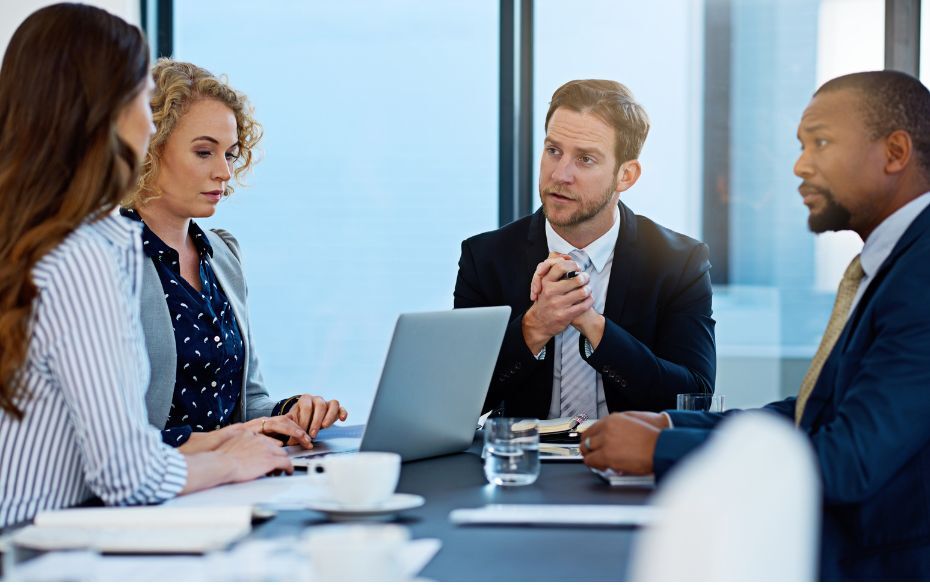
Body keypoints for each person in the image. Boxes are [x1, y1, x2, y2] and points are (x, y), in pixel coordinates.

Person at [580, 71, 930, 580]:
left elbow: (849, 461)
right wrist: (676, 424)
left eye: (822, 143)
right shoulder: (894, 264)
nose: (800, 166)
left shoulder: (920, 276)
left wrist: (662, 450)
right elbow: (813, 415)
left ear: (895, 153)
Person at [0, 4, 293, 528]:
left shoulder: (33, 238)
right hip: (40, 551)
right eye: (141, 96)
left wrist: (229, 440)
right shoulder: (86, 255)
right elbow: (127, 475)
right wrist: (228, 461)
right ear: (108, 113)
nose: (148, 114)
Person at [119, 59, 347, 452]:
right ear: (149, 149)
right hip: (160, 491)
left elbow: (246, 403)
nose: (224, 171)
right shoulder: (105, 261)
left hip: (230, 481)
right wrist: (227, 442)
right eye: (205, 152)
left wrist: (288, 415)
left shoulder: (222, 254)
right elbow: (113, 439)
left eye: (230, 153)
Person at [454, 79, 715, 419]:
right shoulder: (486, 257)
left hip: (630, 464)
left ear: (626, 176)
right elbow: (459, 397)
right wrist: (535, 326)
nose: (560, 174)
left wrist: (593, 325)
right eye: (553, 151)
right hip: (521, 464)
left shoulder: (679, 262)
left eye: (586, 159)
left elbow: (692, 397)